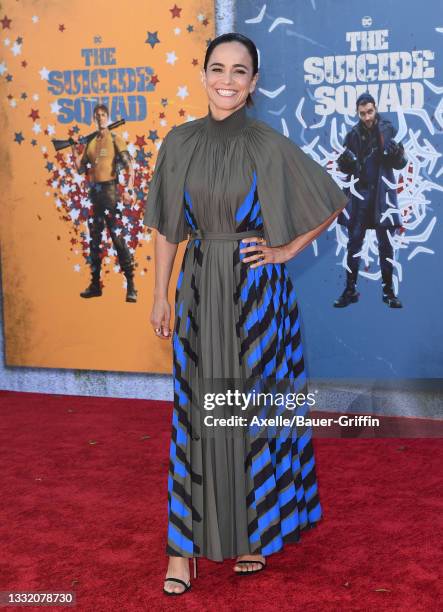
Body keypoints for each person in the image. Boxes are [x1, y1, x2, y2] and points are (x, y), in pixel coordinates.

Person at [143, 33, 347, 596]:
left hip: (259, 296)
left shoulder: (267, 143)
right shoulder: (179, 143)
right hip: (199, 286)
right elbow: (165, 227)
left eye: (240, 71)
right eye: (218, 68)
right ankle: (181, 551)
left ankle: (253, 532)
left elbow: (330, 202)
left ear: (254, 82)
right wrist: (160, 294)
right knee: (196, 415)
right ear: (203, 73)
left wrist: (283, 251)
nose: (227, 80)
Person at [334, 93, 407, 309]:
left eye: (370, 112)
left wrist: (397, 155)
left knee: (385, 246)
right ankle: (350, 290)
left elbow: (400, 164)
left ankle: (388, 291)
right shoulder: (353, 135)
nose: (366, 117)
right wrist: (344, 164)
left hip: (381, 198)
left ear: (375, 109)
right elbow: (345, 166)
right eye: (362, 113)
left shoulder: (387, 130)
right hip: (360, 198)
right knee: (353, 245)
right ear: (358, 113)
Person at [71, 103, 138, 302]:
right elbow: (81, 169)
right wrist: (75, 150)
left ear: (107, 117)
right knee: (95, 242)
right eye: (97, 115)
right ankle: (94, 284)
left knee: (117, 240)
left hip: (110, 192)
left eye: (103, 114)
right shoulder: (91, 143)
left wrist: (129, 188)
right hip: (95, 194)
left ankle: (131, 286)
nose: (100, 117)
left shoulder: (115, 139)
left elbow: (129, 166)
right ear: (94, 119)